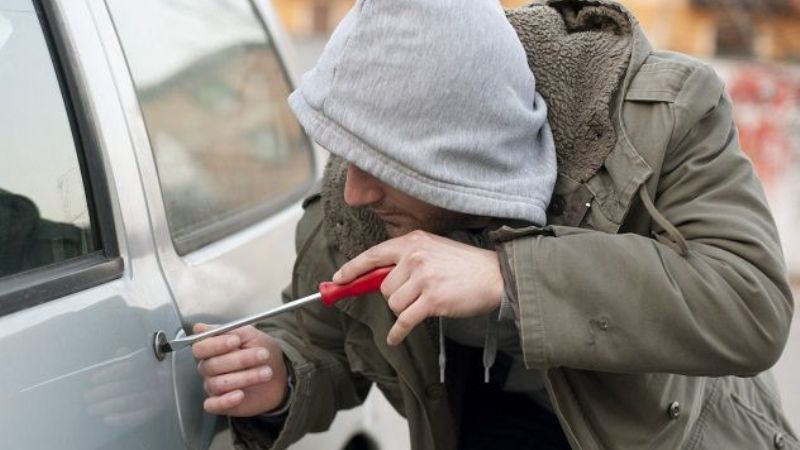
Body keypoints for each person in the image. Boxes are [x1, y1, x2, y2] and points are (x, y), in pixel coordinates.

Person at [192, 0, 797, 449]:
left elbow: (750, 303)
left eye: (384, 166)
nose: (354, 191)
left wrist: (505, 275)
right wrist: (281, 376)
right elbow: (326, 343)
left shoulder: (662, 118)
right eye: (350, 155)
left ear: (460, 154)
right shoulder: (357, 207)